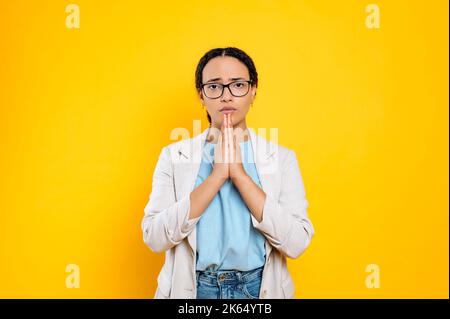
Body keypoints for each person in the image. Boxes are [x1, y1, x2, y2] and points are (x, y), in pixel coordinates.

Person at [141, 47, 315, 299]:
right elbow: (154, 238)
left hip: (257, 289)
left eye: (237, 85)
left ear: (253, 90)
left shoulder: (282, 159)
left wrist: (240, 176)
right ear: (201, 94)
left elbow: (296, 243)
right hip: (196, 290)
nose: (226, 96)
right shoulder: (173, 156)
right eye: (214, 86)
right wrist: (217, 176)